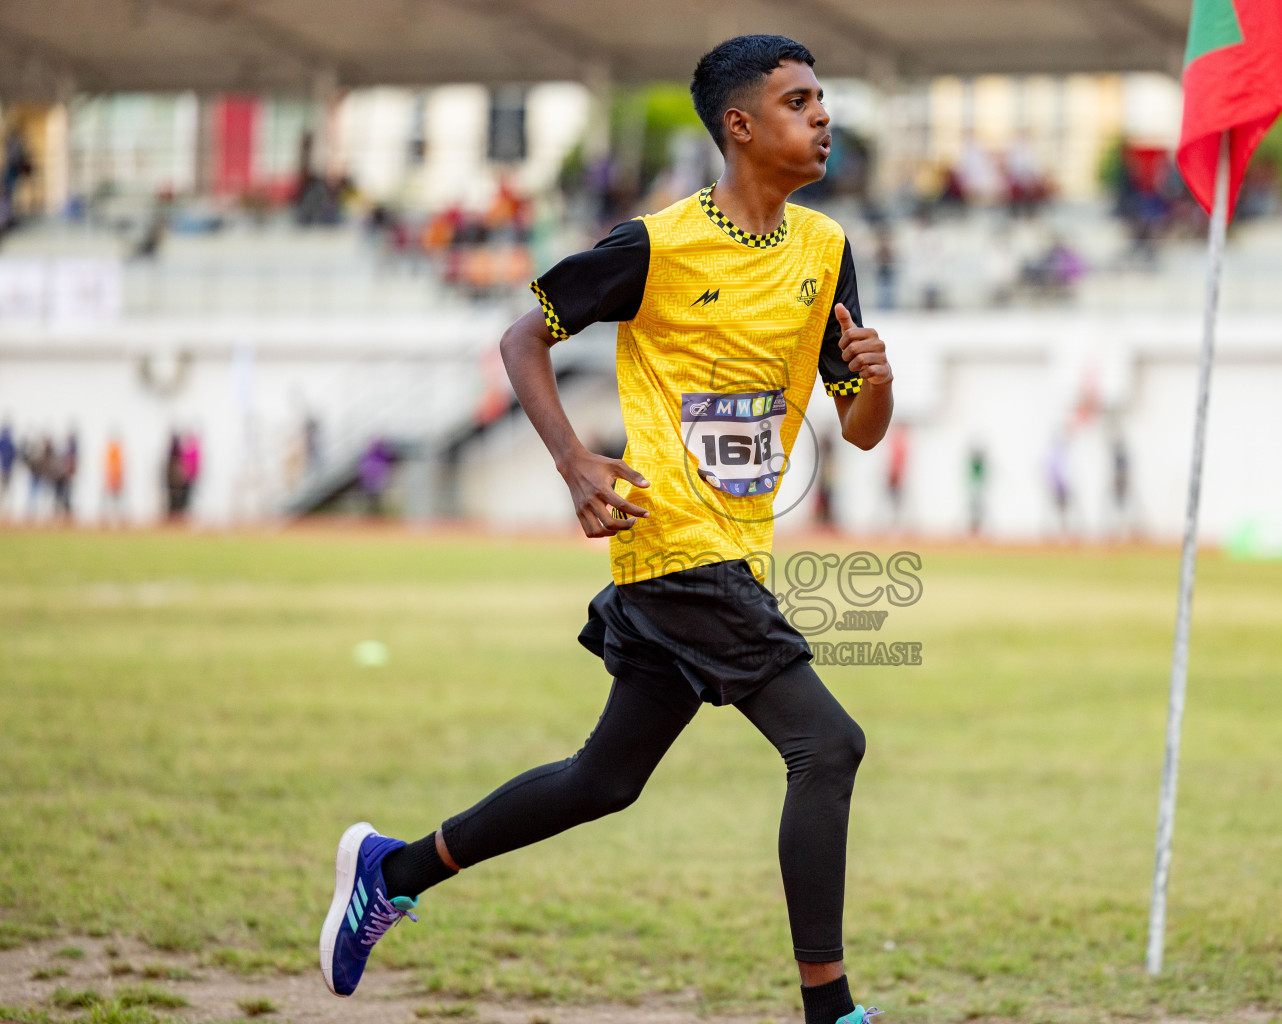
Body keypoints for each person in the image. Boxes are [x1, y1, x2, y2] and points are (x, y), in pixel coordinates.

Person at [317, 36, 894, 1024]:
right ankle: (830, 1012)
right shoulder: (656, 245)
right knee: (828, 746)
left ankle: (391, 868)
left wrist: (877, 384)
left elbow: (863, 429)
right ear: (741, 127)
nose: (823, 115)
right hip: (672, 543)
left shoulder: (829, 255)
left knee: (605, 778)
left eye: (823, 98)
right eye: (800, 100)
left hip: (735, 551)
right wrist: (574, 461)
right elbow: (522, 335)